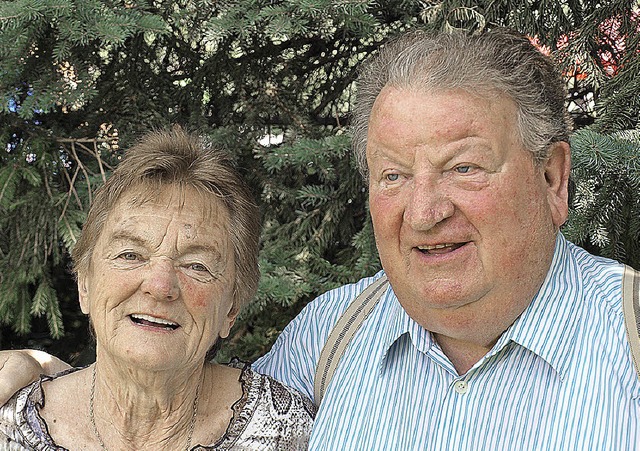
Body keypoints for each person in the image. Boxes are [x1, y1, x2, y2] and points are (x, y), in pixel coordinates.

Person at [1, 28, 639, 449]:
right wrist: (33, 372)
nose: (423, 212)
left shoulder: (629, 340)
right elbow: (179, 388)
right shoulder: (331, 335)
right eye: (392, 174)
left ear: (553, 179)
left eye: (464, 167)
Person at [0, 127, 315, 450]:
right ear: (85, 283)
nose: (160, 286)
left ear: (231, 308)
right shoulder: (8, 427)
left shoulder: (289, 434)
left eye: (197, 266)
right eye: (130, 255)